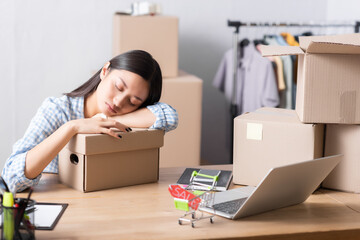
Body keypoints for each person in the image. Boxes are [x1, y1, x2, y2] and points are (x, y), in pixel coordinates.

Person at [2, 50, 178, 193]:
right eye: (118, 87)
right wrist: (73, 127)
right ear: (104, 71)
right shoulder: (58, 110)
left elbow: (169, 117)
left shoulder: (122, 118)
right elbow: (10, 179)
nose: (118, 102)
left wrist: (106, 120)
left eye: (133, 102)